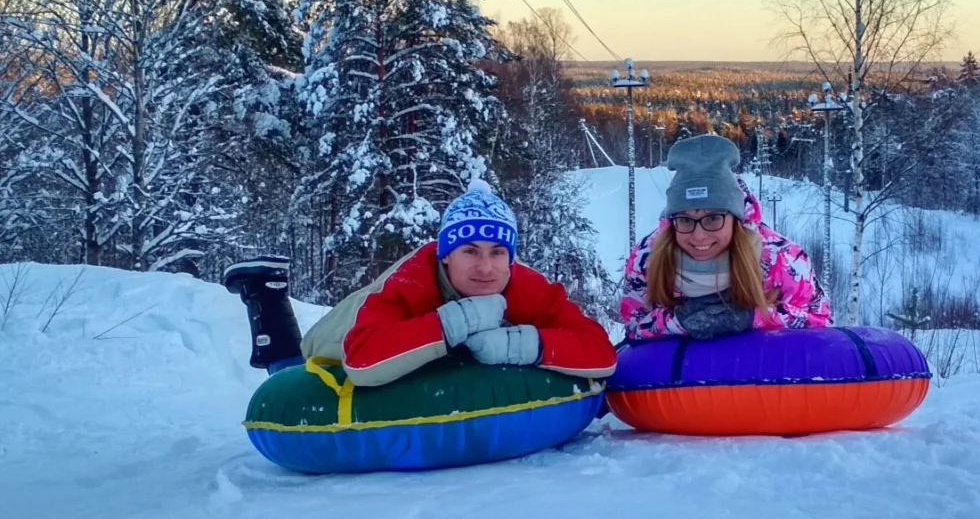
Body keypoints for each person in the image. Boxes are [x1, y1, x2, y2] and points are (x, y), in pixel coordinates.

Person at [225, 180, 618, 387]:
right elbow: (361, 359)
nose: (485, 267)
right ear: (445, 253)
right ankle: (263, 292)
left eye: (498, 252)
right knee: (292, 371)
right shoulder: (413, 279)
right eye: (469, 251)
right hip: (334, 340)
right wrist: (453, 323)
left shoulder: (522, 284)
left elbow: (600, 352)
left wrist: (527, 344)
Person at [618, 134, 833, 341]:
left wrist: (752, 317)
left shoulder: (783, 259)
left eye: (713, 219)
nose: (699, 235)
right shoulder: (646, 258)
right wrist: (678, 321)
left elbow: (820, 324)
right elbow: (633, 325)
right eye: (685, 220)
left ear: (736, 218)